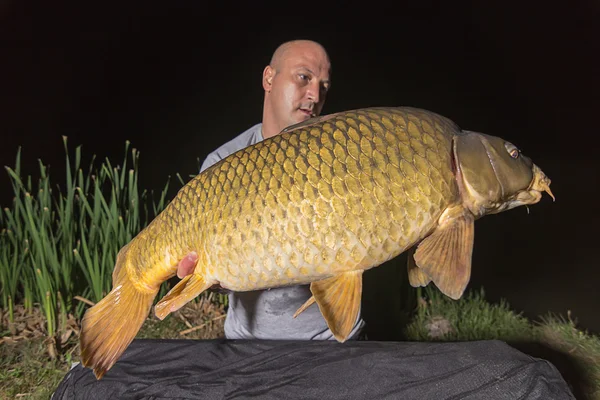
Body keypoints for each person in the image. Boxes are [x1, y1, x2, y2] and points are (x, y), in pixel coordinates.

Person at [176, 39, 365, 340]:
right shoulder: (222, 164)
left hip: (332, 341)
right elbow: (207, 270)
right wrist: (210, 275)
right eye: (304, 78)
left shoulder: (343, 156)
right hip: (249, 344)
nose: (315, 95)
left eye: (324, 86)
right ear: (269, 78)